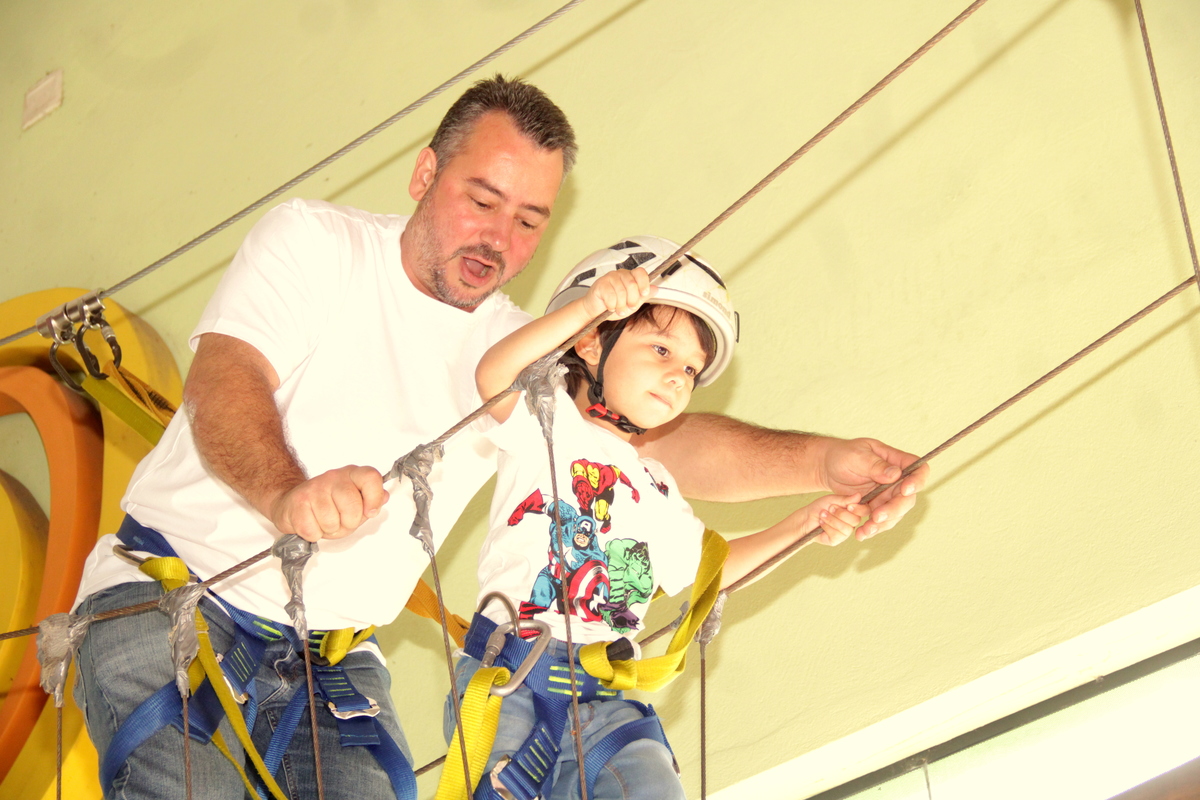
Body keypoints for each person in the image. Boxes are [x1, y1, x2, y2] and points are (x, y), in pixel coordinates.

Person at [71, 75, 926, 800]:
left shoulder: (525, 349)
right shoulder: (316, 243)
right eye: (481, 201)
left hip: (330, 664)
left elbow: (648, 452)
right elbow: (228, 379)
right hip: (169, 607)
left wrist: (823, 464)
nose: (498, 238)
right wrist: (285, 493)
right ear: (423, 173)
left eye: (528, 220)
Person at [447, 235, 871, 800]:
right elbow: (494, 374)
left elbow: (708, 571)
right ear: (593, 346)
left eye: (692, 371)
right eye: (663, 352)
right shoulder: (543, 419)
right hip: (512, 674)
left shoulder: (654, 484)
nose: (678, 378)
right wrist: (590, 308)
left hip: (610, 690)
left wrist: (804, 524)